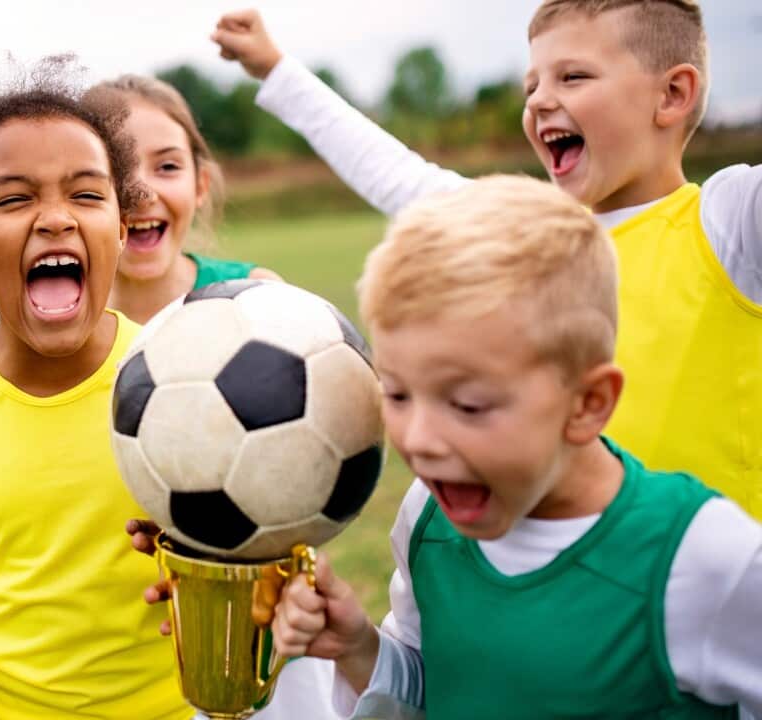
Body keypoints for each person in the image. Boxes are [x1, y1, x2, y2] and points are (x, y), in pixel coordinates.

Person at [212, 2, 762, 518]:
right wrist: (276, 70)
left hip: (716, 602)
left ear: (672, 94)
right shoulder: (522, 230)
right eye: (533, 84)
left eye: (572, 77)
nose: (540, 99)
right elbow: (393, 172)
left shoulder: (729, 222)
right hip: (573, 583)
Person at [267, 175, 761, 719]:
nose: (420, 440)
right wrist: (359, 647)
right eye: (398, 394)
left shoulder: (705, 557)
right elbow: (436, 686)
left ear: (588, 403)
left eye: (470, 405)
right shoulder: (426, 520)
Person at [0, 59, 189, 719]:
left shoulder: (180, 377)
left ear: (119, 222)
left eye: (85, 194)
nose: (55, 219)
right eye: (15, 198)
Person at [90, 76, 280, 323]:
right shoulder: (47, 319)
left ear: (200, 185)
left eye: (167, 166)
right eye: (115, 168)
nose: (142, 195)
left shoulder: (258, 297)